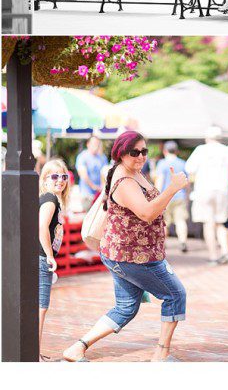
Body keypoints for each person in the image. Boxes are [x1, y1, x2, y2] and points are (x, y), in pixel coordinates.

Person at [63, 131, 189, 363]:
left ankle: (77, 348)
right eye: (135, 152)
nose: (141, 156)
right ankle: (161, 354)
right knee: (175, 294)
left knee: (126, 307)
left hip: (127, 253)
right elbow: (147, 212)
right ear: (120, 153)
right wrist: (172, 189)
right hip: (132, 257)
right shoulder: (124, 180)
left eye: (144, 151)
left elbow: (148, 207)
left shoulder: (133, 171)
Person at [185, 126, 228, 262]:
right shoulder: (227, 151)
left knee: (209, 223)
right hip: (223, 190)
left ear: (207, 138)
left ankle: (213, 256)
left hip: (204, 189)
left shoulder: (201, 150)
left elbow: (189, 168)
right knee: (220, 222)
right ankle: (225, 252)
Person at [38, 158, 70, 360]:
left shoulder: (53, 200)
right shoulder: (49, 199)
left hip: (41, 257)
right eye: (55, 176)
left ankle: (34, 350)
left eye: (64, 176)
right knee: (41, 307)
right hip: (41, 257)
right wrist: (50, 256)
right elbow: (42, 229)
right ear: (45, 179)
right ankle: (33, 352)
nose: (60, 180)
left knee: (40, 306)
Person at [155, 141, 189, 253]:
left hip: (166, 197)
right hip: (180, 196)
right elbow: (186, 183)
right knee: (180, 221)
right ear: (176, 151)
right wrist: (187, 196)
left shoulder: (162, 163)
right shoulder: (183, 163)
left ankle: (163, 244)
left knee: (164, 222)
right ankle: (183, 242)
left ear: (165, 151)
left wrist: (157, 197)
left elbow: (159, 181)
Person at [75, 135, 107, 212]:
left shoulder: (103, 157)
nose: (96, 146)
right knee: (88, 217)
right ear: (88, 144)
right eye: (94, 143)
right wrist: (93, 186)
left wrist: (102, 187)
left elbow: (105, 173)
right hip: (87, 194)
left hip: (100, 194)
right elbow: (83, 174)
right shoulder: (82, 156)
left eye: (97, 144)